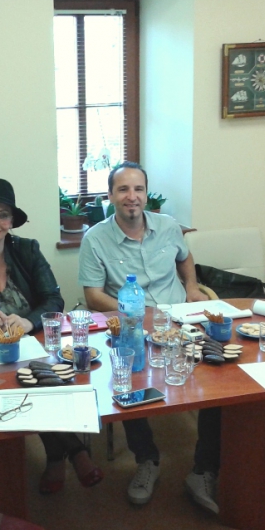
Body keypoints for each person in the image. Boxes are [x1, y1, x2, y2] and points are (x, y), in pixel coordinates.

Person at [0, 177, 103, 494]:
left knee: (40, 379)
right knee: (25, 386)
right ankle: (73, 449)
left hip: (31, 346)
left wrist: (29, 322)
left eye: (3, 215)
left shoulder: (28, 250)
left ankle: (57, 456)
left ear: (11, 221)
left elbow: (54, 299)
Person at [78, 161, 212, 507]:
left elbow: (185, 258)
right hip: (129, 326)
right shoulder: (95, 239)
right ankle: (147, 460)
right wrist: (134, 316)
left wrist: (192, 287)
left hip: (178, 321)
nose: (132, 196)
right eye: (123, 189)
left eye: (138, 189)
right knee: (127, 383)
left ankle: (204, 468)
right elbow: (93, 295)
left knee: (218, 378)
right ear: (110, 196)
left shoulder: (168, 226)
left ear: (146, 194)